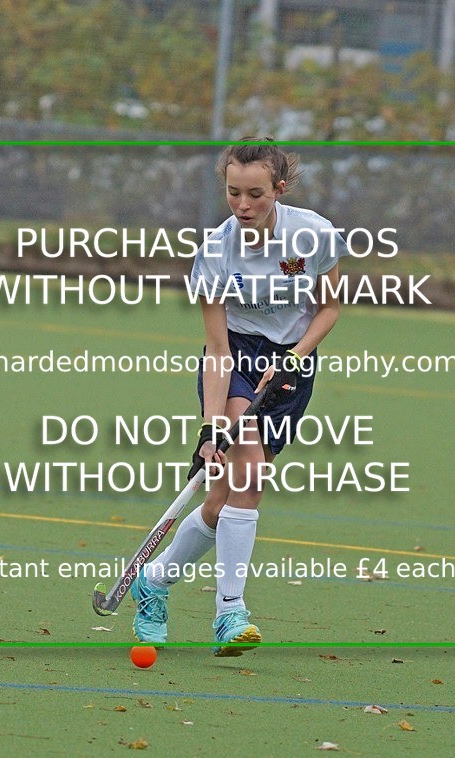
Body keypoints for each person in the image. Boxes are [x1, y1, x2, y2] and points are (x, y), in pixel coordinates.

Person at [130, 137, 348, 656]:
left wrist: (295, 355)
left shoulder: (313, 234)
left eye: (255, 194)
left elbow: (330, 307)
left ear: (280, 187)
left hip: (294, 360)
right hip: (238, 357)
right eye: (233, 194)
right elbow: (217, 345)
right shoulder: (214, 253)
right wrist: (210, 426)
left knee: (220, 499)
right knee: (248, 475)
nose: (243, 206)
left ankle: (154, 581)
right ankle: (230, 611)